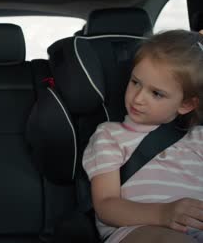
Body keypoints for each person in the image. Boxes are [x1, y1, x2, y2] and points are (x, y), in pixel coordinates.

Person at [82, 30, 203, 243]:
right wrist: (163, 214)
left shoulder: (198, 139)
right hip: (136, 229)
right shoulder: (110, 136)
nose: (137, 98)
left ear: (186, 104)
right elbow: (106, 205)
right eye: (135, 82)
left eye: (156, 93)